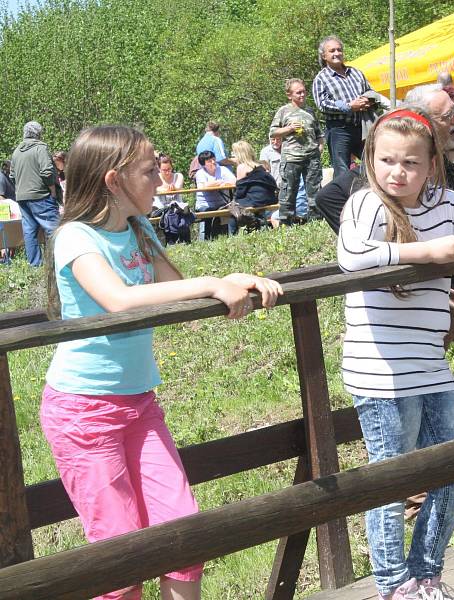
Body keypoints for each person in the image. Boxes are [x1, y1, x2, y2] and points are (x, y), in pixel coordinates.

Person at [41, 125, 283, 600]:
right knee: (119, 554)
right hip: (83, 411)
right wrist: (213, 282)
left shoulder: (140, 229)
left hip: (138, 403)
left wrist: (229, 279)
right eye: (150, 171)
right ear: (114, 181)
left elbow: (174, 286)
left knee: (182, 533)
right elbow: (118, 299)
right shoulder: (75, 236)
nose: (161, 179)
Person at [337, 107, 454, 600]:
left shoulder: (441, 201)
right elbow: (352, 255)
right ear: (371, 159)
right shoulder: (367, 203)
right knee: (392, 478)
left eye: (411, 162)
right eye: (387, 160)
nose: (398, 172)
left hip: (430, 364)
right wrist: (430, 253)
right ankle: (394, 586)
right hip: (379, 371)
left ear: (431, 163)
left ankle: (426, 570)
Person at [317, 84, 454, 234]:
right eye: (447, 116)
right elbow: (328, 198)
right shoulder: (396, 162)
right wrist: (373, 238)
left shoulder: (444, 157)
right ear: (423, 122)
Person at [312, 35, 374, 178]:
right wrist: (348, 107)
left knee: (373, 161)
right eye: (332, 51)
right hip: (339, 130)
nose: (336, 53)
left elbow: (370, 91)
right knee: (342, 170)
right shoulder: (321, 78)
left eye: (339, 50)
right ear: (324, 56)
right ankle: (344, 199)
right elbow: (322, 104)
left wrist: (368, 100)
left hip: (362, 127)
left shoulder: (356, 73)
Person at [269, 78, 324, 224]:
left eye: (304, 91)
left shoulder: (310, 110)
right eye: (298, 92)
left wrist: (320, 147)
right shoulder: (283, 111)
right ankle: (287, 223)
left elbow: (319, 133)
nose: (302, 95)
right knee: (288, 191)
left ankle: (316, 222)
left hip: (312, 156)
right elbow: (273, 133)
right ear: (289, 95)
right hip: (291, 157)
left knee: (315, 190)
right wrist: (289, 129)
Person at [10, 121, 61, 266]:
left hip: (22, 197)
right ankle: (56, 263)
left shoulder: (16, 151)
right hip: (41, 196)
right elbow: (47, 171)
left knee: (29, 232)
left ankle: (34, 264)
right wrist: (52, 190)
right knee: (53, 230)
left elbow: (12, 176)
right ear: (38, 133)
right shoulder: (40, 148)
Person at [195, 150, 236, 240]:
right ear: (203, 164)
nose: (213, 162)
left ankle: (233, 237)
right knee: (207, 214)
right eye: (209, 161)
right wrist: (220, 182)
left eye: (214, 159)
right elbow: (203, 186)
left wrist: (222, 183)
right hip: (205, 204)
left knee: (236, 209)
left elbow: (234, 180)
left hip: (222, 202)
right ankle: (204, 241)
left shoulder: (222, 169)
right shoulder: (200, 173)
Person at [231, 140, 277, 208]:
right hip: (270, 199)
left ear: (239, 155)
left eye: (234, 153)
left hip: (255, 201)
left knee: (232, 209)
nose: (233, 156)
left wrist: (233, 201)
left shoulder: (241, 167)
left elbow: (240, 191)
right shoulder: (260, 165)